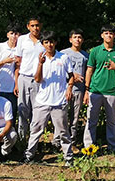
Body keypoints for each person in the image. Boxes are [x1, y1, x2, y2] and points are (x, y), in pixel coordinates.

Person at [25, 31, 79, 164]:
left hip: (59, 101)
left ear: (55, 43)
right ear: (43, 44)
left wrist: (69, 88)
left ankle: (68, 158)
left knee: (63, 132)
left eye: (51, 42)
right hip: (42, 101)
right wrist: (40, 64)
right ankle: (29, 156)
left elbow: (71, 75)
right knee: (36, 130)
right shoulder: (39, 58)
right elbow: (37, 79)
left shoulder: (63, 57)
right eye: (46, 42)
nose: (49, 45)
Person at [83, 25, 115, 153]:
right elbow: (89, 70)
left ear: (114, 35)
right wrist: (87, 89)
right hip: (95, 90)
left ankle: (112, 147)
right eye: (106, 33)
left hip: (112, 91)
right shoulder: (95, 51)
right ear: (102, 35)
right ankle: (88, 147)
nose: (108, 35)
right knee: (91, 120)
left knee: (112, 122)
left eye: (111, 33)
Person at [13, 16, 45, 141]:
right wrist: (16, 83)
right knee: (22, 110)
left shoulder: (44, 40)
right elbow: (18, 62)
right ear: (28, 26)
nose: (35, 28)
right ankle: (21, 140)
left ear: (40, 26)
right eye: (32, 25)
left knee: (36, 111)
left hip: (39, 80)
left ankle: (34, 140)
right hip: (24, 78)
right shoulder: (22, 40)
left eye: (37, 25)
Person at [0, 22, 21, 128]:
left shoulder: (21, 49)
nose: (14, 36)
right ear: (7, 35)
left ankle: (11, 139)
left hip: (14, 88)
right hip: (0, 86)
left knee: (12, 115)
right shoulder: (0, 47)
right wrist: (4, 61)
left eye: (16, 34)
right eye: (12, 33)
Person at [60, 29, 89, 147]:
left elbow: (88, 73)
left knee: (75, 119)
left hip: (79, 91)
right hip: (63, 90)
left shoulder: (86, 56)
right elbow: (58, 71)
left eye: (80, 37)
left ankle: (71, 142)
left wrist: (87, 90)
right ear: (70, 39)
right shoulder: (63, 54)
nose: (77, 39)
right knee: (61, 117)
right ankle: (58, 142)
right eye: (75, 37)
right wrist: (72, 76)